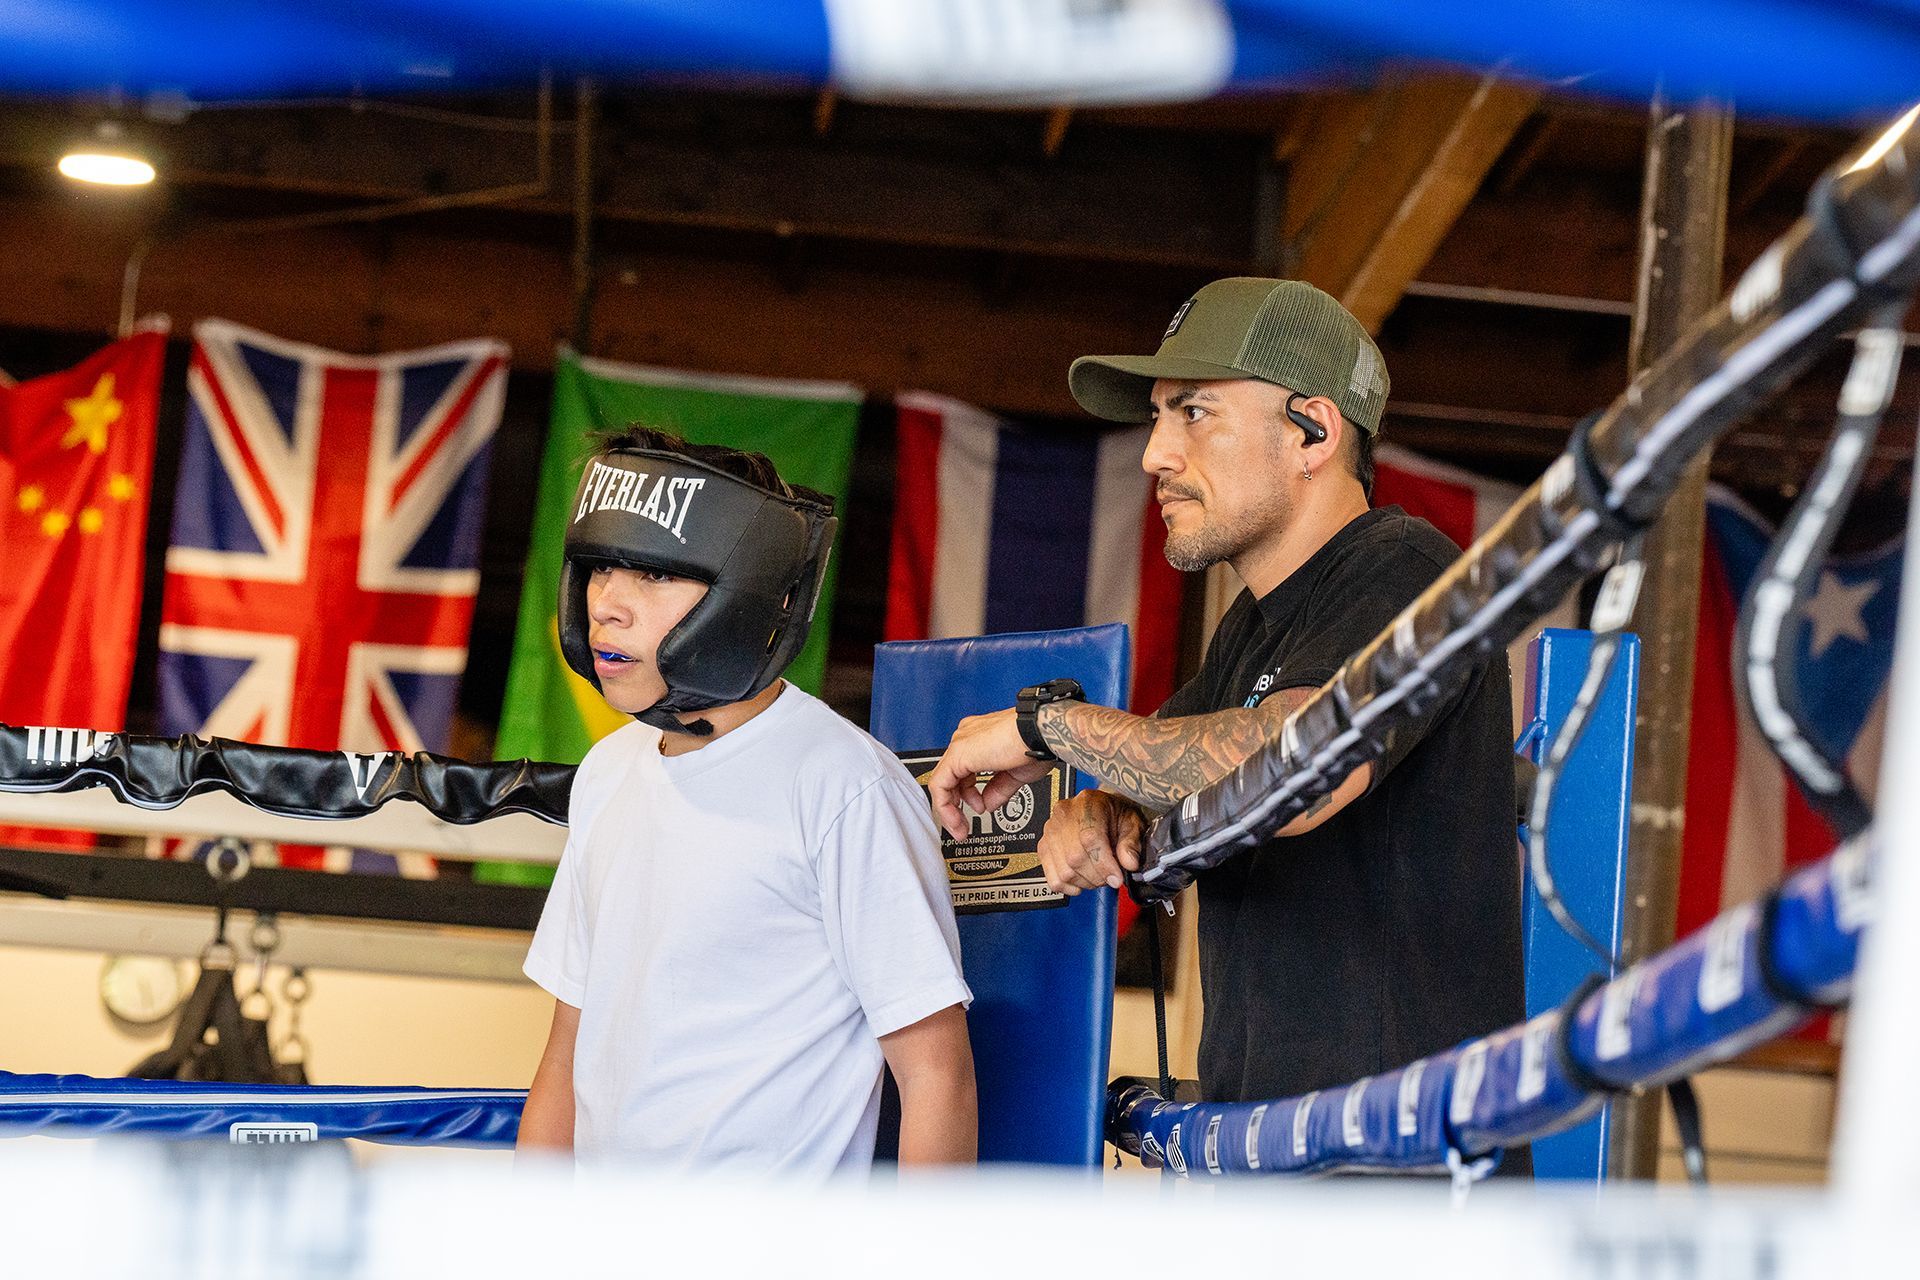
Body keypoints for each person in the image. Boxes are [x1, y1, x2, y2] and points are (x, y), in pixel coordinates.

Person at [927, 278, 1526, 1120]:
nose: (1155, 455)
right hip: (1277, 1160)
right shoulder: (1250, 629)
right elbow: (1164, 763)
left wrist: (1044, 726)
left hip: (1405, 1190)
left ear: (1312, 430)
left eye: (1196, 413)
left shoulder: (1405, 568)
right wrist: (1102, 809)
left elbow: (1299, 768)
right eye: (1158, 417)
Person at [518, 427, 976, 1176]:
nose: (609, 605)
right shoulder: (609, 772)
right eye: (601, 568)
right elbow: (567, 1051)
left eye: (655, 576)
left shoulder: (844, 785)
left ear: (747, 590)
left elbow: (937, 1077)